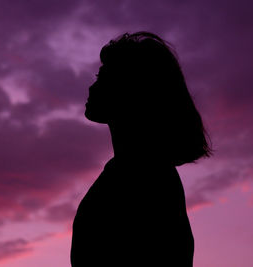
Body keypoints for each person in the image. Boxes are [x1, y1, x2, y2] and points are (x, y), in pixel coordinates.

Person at [71, 31, 212, 267]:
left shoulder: (145, 176)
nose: (92, 87)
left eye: (103, 77)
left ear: (132, 90)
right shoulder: (132, 171)